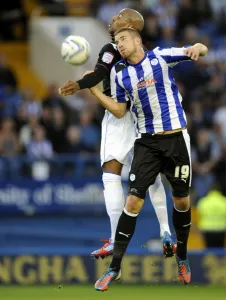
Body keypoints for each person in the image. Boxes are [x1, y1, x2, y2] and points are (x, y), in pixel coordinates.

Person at [89, 28, 208, 291]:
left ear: (137, 40)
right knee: (132, 201)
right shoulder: (120, 75)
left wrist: (197, 49)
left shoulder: (161, 57)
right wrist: (97, 93)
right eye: (116, 40)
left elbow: (200, 46)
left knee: (182, 200)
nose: (119, 44)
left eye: (123, 39)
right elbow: (120, 111)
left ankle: (183, 256)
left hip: (175, 139)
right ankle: (114, 268)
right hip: (146, 143)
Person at [59, 9, 173, 259]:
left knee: (111, 174)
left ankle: (113, 238)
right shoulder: (144, 51)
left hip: (119, 116)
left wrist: (81, 85)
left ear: (131, 26)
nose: (113, 20)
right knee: (151, 176)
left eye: (119, 17)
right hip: (144, 116)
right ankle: (166, 231)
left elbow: (100, 73)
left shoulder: (112, 48)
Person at [196, 181, 226, 248]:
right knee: (221, 250)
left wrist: (199, 230)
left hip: (207, 229)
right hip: (222, 229)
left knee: (209, 251)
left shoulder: (203, 202)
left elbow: (199, 216)